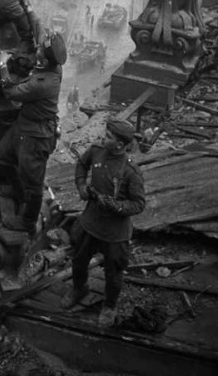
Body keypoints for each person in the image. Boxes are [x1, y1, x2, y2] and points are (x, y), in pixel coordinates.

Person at [61, 118, 145, 327]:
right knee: (78, 260)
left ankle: (109, 305)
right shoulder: (97, 151)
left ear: (120, 145)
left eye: (108, 137)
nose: (102, 138)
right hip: (90, 221)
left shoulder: (130, 172)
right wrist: (81, 186)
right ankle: (80, 288)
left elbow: (139, 204)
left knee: (113, 272)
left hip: (115, 231)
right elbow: (82, 164)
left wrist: (116, 206)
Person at [0, 31, 66, 234]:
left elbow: (10, 92)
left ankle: (27, 222)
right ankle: (20, 192)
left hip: (35, 137)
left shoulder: (42, 84)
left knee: (34, 184)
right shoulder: (53, 68)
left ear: (44, 58)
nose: (37, 50)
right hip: (24, 126)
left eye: (40, 49)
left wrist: (2, 63)